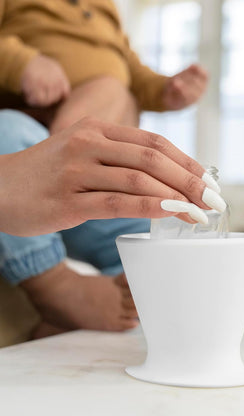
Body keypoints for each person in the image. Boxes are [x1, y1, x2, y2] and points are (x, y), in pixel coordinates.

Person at [0, 112, 226, 344]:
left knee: (156, 240)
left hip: (71, 154)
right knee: (7, 130)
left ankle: (146, 295)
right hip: (31, 152)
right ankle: (54, 285)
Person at [0, 0, 208, 132]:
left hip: (108, 108)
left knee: (121, 97)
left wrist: (166, 89)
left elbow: (129, 66)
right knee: (113, 92)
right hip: (36, 113)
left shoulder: (105, 5)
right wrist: (22, 63)